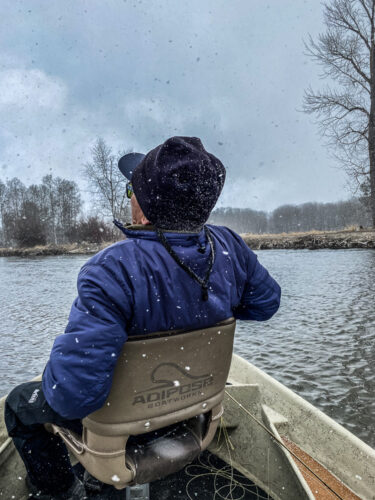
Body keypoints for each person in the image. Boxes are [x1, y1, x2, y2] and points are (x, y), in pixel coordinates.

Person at [4, 136, 281, 499]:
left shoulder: (113, 268)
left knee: (19, 405)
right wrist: (208, 302)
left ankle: (61, 491)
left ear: (145, 208)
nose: (129, 197)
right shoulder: (229, 247)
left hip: (130, 422)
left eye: (131, 189)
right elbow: (265, 304)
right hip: (189, 410)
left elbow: (73, 399)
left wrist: (57, 369)